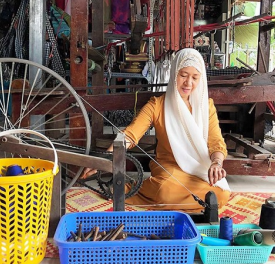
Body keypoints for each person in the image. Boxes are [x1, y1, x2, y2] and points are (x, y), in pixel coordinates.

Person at [82, 48, 230, 212]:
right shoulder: (157, 105)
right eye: (183, 75)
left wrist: (216, 163)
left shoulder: (206, 106)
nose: (188, 83)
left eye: (195, 77)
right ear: (174, 74)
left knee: (221, 195)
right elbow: (131, 134)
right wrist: (104, 160)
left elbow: (216, 142)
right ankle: (129, 189)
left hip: (199, 169)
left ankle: (172, 202)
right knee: (165, 191)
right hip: (169, 169)